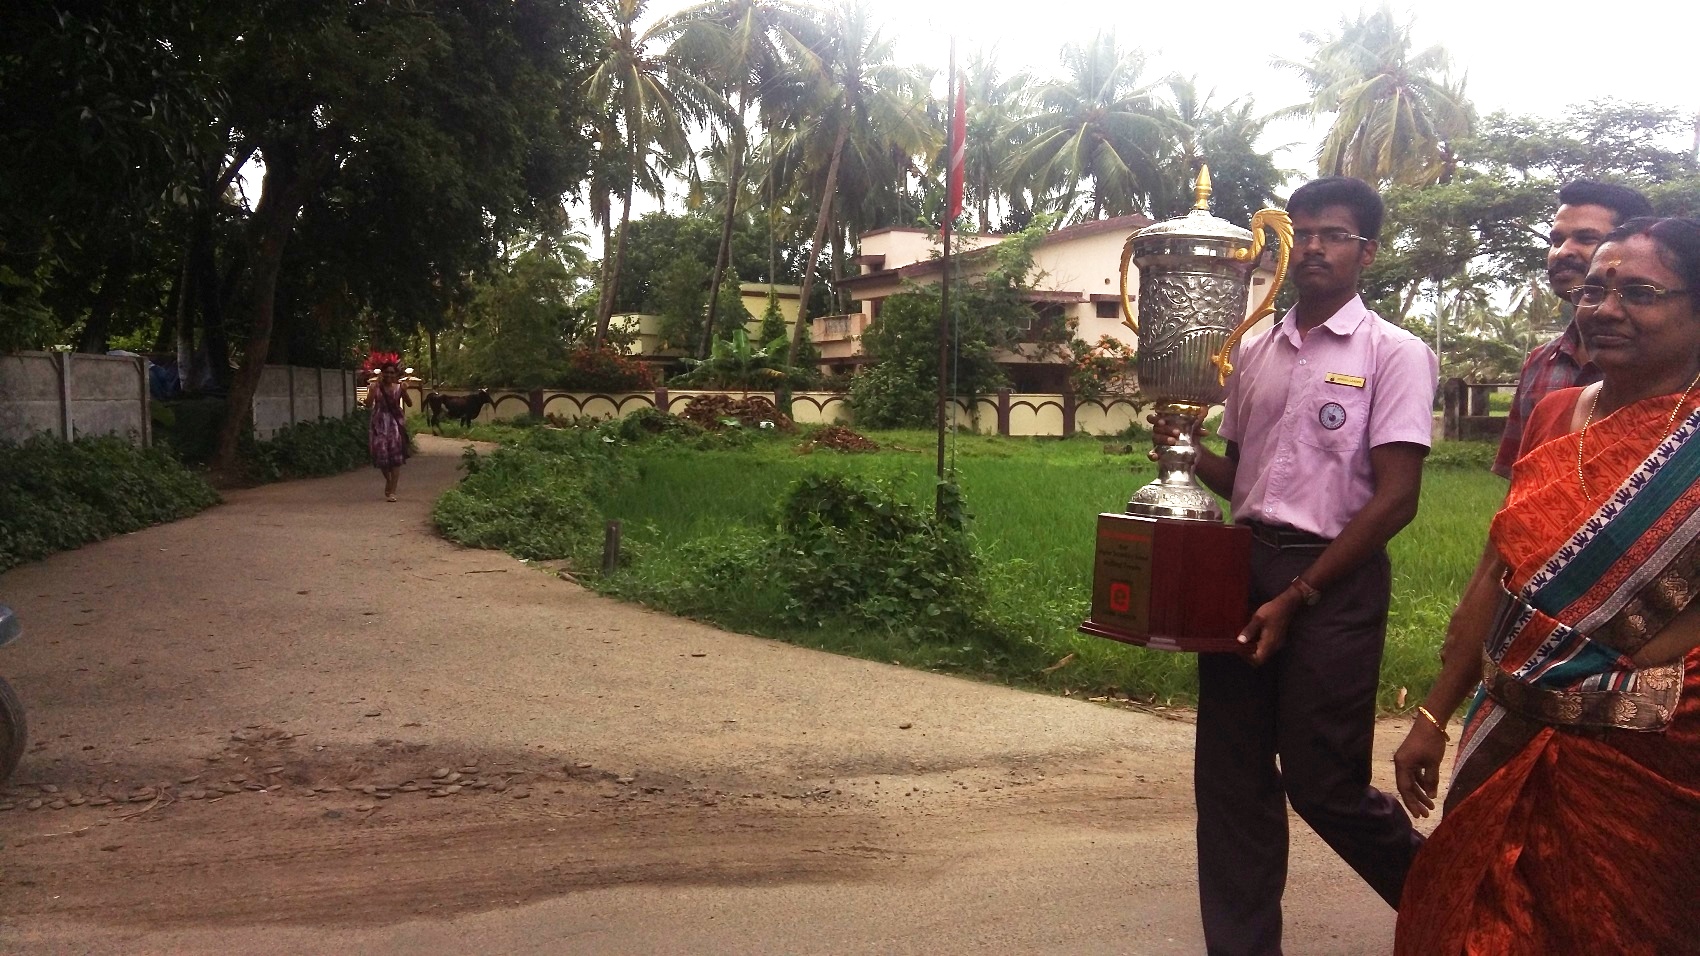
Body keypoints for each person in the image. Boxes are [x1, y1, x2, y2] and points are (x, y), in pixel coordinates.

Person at [1393, 218, 1700, 954]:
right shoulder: (1559, 412)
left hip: (1651, 748)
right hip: (1512, 721)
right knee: (1466, 920)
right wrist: (1433, 715)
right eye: (1594, 290)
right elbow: (1496, 578)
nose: (1604, 308)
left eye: (1639, 292)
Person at [1157, 177, 1439, 955]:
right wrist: (1183, 450)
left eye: (1334, 235)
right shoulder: (1253, 349)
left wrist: (1302, 592)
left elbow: (1398, 498)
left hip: (1333, 582)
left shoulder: (1394, 353)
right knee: (1232, 778)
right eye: (1302, 233)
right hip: (1243, 567)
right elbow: (1243, 475)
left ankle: (1449, 904)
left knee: (1324, 782)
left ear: (1366, 252)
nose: (1313, 247)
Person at [1492, 181, 1653, 479]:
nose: (1562, 252)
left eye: (1585, 238)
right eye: (1556, 240)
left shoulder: (1666, 357)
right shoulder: (1541, 361)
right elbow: (1521, 483)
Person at [368, 361, 410, 501]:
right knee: (381, 454)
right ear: (382, 373)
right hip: (379, 423)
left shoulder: (399, 387)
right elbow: (368, 404)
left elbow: (409, 403)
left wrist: (404, 391)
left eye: (392, 372)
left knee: (396, 457)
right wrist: (372, 392)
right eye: (387, 372)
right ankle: (389, 480)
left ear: (396, 374)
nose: (389, 375)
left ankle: (393, 491)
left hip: (394, 424)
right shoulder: (376, 387)